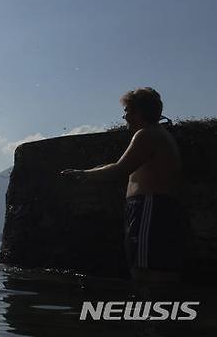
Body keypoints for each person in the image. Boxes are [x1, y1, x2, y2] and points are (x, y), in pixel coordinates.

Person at [61, 87, 184, 281]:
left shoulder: (146, 135)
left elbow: (119, 169)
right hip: (152, 207)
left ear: (139, 112)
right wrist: (90, 171)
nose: (124, 116)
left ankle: (150, 309)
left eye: (127, 111)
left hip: (149, 207)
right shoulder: (157, 134)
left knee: (146, 272)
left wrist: (83, 174)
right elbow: (121, 165)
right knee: (151, 269)